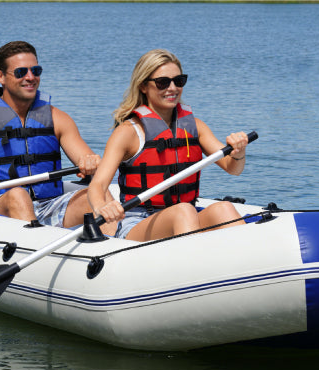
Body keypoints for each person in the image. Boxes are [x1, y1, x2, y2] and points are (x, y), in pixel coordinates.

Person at [0, 41, 115, 235]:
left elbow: (91, 164)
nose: (30, 77)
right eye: (21, 72)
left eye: (36, 70)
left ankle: (113, 253)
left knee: (96, 194)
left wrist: (91, 163)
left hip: (49, 205)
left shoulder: (58, 119)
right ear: (1, 76)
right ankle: (37, 247)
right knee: (18, 194)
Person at [88, 49, 250, 242]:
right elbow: (97, 186)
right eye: (163, 82)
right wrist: (102, 207)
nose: (173, 88)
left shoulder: (195, 126)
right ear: (143, 86)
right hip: (139, 222)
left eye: (178, 81)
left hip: (185, 215)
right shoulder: (128, 132)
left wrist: (239, 151)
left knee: (224, 208)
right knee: (183, 211)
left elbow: (233, 168)